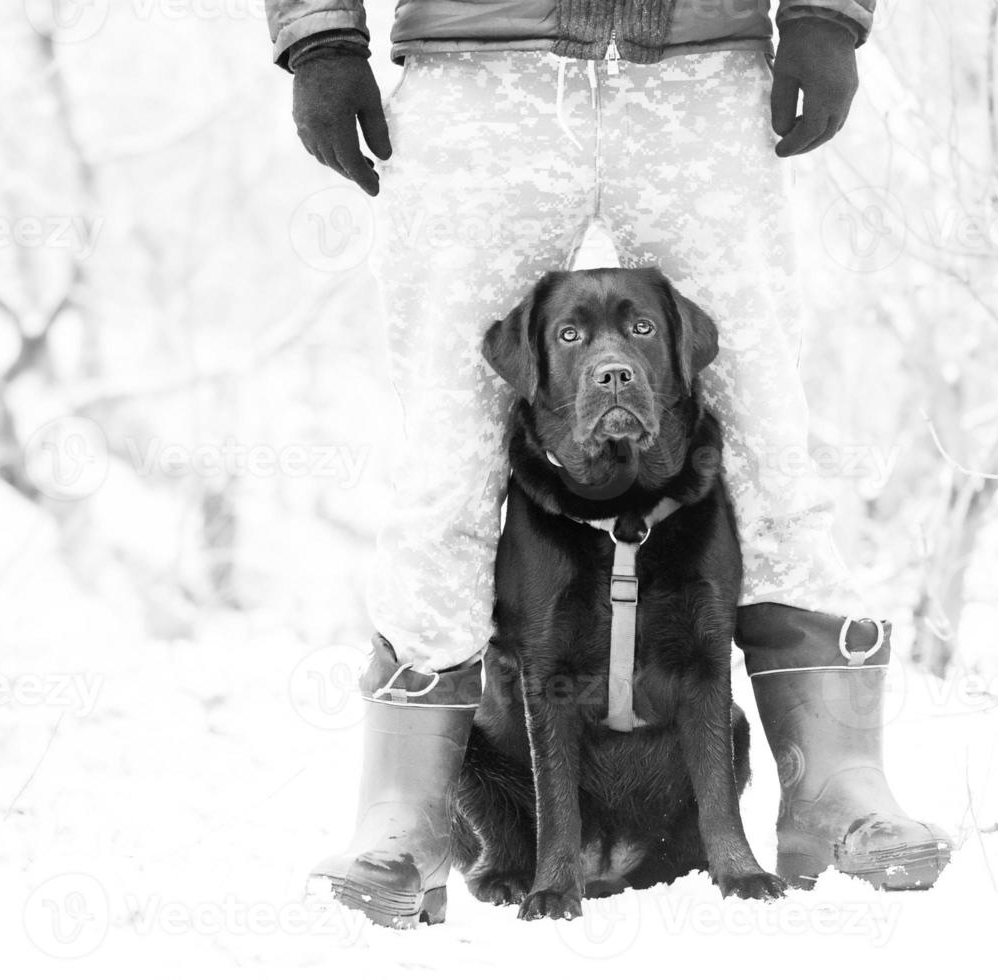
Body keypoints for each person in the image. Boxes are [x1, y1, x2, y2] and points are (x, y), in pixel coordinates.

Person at [268, 0, 953, 926]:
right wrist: (319, 35)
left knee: (769, 443)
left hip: (703, 72)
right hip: (476, 74)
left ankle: (831, 785)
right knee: (445, 467)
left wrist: (828, 13)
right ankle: (408, 816)